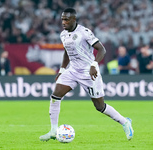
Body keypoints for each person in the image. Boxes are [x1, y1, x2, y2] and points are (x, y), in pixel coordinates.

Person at [39, 8, 134, 142]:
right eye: (62, 19)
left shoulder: (84, 33)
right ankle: (53, 130)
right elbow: (67, 51)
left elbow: (102, 49)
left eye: (66, 19)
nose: (63, 22)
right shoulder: (63, 34)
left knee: (100, 107)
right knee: (55, 96)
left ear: (74, 20)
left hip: (88, 72)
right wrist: (62, 70)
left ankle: (125, 122)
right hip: (72, 70)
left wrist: (94, 65)